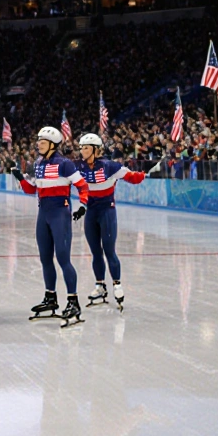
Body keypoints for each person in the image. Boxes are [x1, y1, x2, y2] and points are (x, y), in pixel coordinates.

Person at [12, 126, 90, 328]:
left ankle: (73, 302)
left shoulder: (65, 164)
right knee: (45, 258)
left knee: (63, 258)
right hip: (43, 214)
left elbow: (82, 185)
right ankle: (51, 298)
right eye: (38, 141)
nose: (38, 144)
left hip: (60, 214)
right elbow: (32, 190)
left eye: (43, 141)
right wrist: (20, 177)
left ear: (53, 145)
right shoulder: (38, 164)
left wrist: (83, 205)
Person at [73, 133, 147, 311]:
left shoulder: (110, 166)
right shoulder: (77, 166)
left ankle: (117, 284)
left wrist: (144, 174)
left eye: (85, 148)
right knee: (95, 252)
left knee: (109, 250)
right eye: (81, 147)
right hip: (90, 213)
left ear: (96, 150)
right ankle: (100, 285)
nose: (82, 151)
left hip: (107, 212)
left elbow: (132, 177)